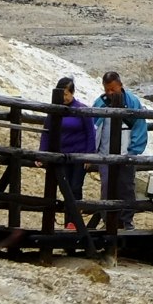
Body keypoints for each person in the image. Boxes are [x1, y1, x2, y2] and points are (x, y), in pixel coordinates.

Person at [39, 77, 96, 233]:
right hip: (61, 155)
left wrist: (89, 155)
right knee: (65, 189)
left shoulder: (82, 110)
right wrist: (42, 154)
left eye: (66, 94)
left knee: (76, 187)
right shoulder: (54, 111)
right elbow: (46, 134)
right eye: (61, 94)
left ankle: (74, 223)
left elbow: (91, 133)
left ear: (72, 93)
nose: (64, 98)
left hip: (78, 155)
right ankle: (69, 222)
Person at [93, 71, 147, 232]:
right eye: (107, 89)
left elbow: (139, 127)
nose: (110, 93)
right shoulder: (99, 103)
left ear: (120, 86)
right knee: (107, 187)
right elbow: (93, 128)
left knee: (126, 188)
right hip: (105, 155)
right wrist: (93, 151)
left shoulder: (132, 102)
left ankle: (126, 222)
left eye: (113, 89)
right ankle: (108, 220)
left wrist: (133, 151)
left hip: (126, 155)